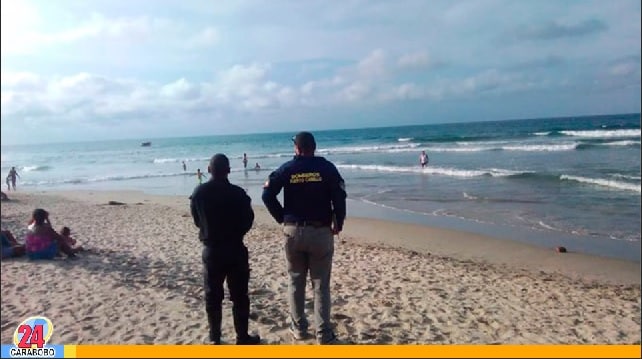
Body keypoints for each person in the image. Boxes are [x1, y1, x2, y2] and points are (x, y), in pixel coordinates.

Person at [262, 131, 347, 344]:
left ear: (297, 148)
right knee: (321, 285)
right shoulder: (326, 168)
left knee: (296, 281)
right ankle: (323, 334)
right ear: (314, 147)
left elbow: (267, 194)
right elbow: (339, 196)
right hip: (320, 232)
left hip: (293, 232)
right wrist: (339, 221)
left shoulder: (288, 168)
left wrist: (282, 217)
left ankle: (299, 328)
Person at [190, 154, 261, 345]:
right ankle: (242, 337)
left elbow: (197, 221)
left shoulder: (199, 193)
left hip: (212, 249)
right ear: (228, 170)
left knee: (213, 296)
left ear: (208, 170)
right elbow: (248, 220)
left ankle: (215, 338)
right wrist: (236, 233)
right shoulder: (239, 194)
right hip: (235, 248)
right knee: (239, 296)